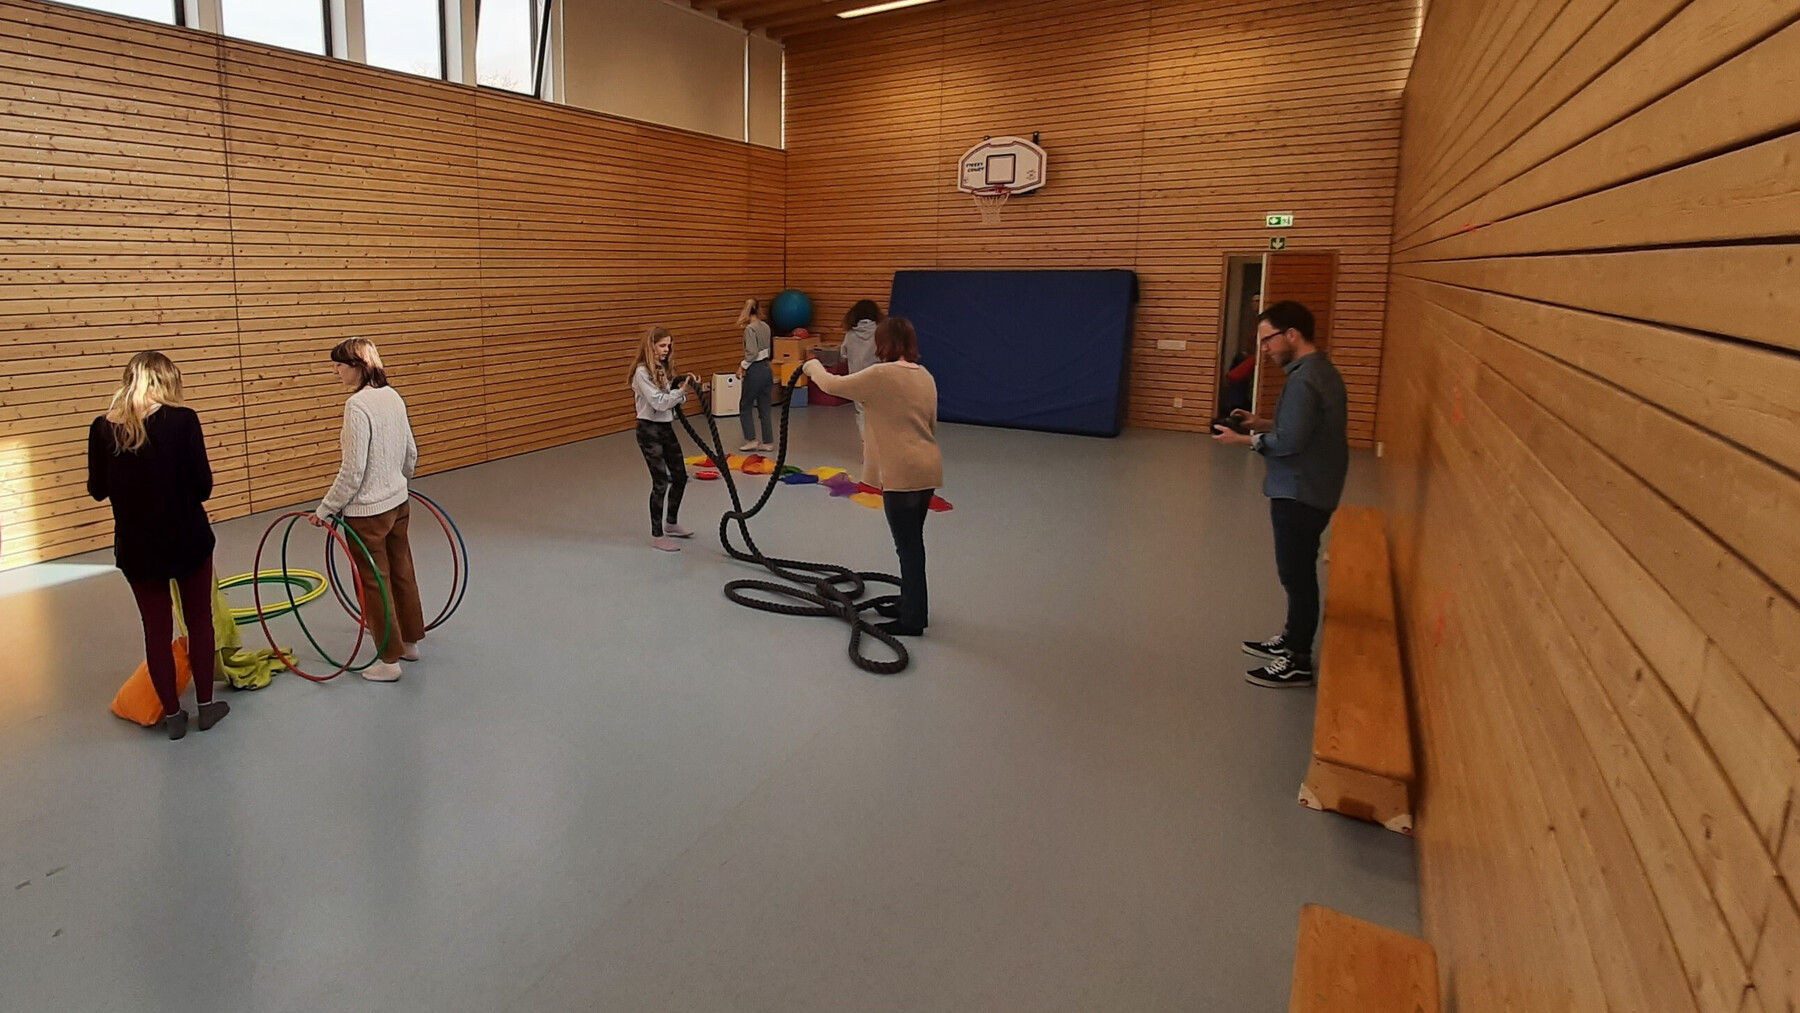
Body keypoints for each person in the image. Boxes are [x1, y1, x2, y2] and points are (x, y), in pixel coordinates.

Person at [87, 351, 227, 739]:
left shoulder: (102, 428)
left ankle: (172, 716)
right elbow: (203, 487)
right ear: (166, 382)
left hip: (137, 547)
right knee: (199, 621)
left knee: (156, 630)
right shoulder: (183, 420)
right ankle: (206, 707)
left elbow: (97, 489)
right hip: (188, 539)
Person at [1212, 301, 1348, 688]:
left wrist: (1244, 440)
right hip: (1311, 485)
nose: (1265, 349)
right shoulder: (1318, 370)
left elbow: (1290, 442)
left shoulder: (1304, 380)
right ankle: (1291, 637)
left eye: (1268, 340)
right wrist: (1262, 422)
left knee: (1296, 574)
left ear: (1291, 334)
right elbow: (1305, 427)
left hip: (1300, 491)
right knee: (1296, 571)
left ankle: (1298, 659)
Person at [801, 317, 942, 638]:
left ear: (883, 343)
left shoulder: (881, 375)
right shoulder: (925, 376)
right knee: (912, 542)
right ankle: (908, 604)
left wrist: (812, 366)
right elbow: (931, 423)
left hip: (902, 473)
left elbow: (833, 385)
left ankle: (913, 619)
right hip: (927, 468)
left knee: (908, 548)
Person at [311, 338, 424, 683]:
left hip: (367, 513)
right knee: (402, 570)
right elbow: (411, 452)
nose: (335, 372)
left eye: (339, 365)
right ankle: (409, 643)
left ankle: (388, 661)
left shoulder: (357, 406)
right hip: (398, 503)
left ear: (358, 367)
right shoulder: (393, 396)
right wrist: (398, 483)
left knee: (374, 583)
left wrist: (325, 509)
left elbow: (353, 471)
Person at [631, 326, 702, 552]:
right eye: (662, 345)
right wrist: (680, 393)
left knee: (680, 476)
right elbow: (659, 402)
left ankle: (671, 523)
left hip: (665, 427)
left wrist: (681, 389)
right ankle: (657, 535)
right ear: (650, 346)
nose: (666, 349)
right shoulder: (642, 372)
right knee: (661, 482)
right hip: (648, 430)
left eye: (668, 346)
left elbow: (670, 398)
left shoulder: (662, 368)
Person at [736, 298, 775, 452]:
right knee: (764, 407)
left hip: (755, 371)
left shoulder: (750, 329)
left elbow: (752, 353)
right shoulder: (765, 326)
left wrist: (742, 366)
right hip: (767, 369)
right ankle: (768, 441)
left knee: (745, 405)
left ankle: (751, 439)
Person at [839, 299, 882, 436]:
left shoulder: (850, 334)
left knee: (861, 410)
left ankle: (866, 440)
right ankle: (879, 440)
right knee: (879, 410)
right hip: (877, 378)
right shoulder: (881, 332)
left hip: (856, 378)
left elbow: (843, 354)